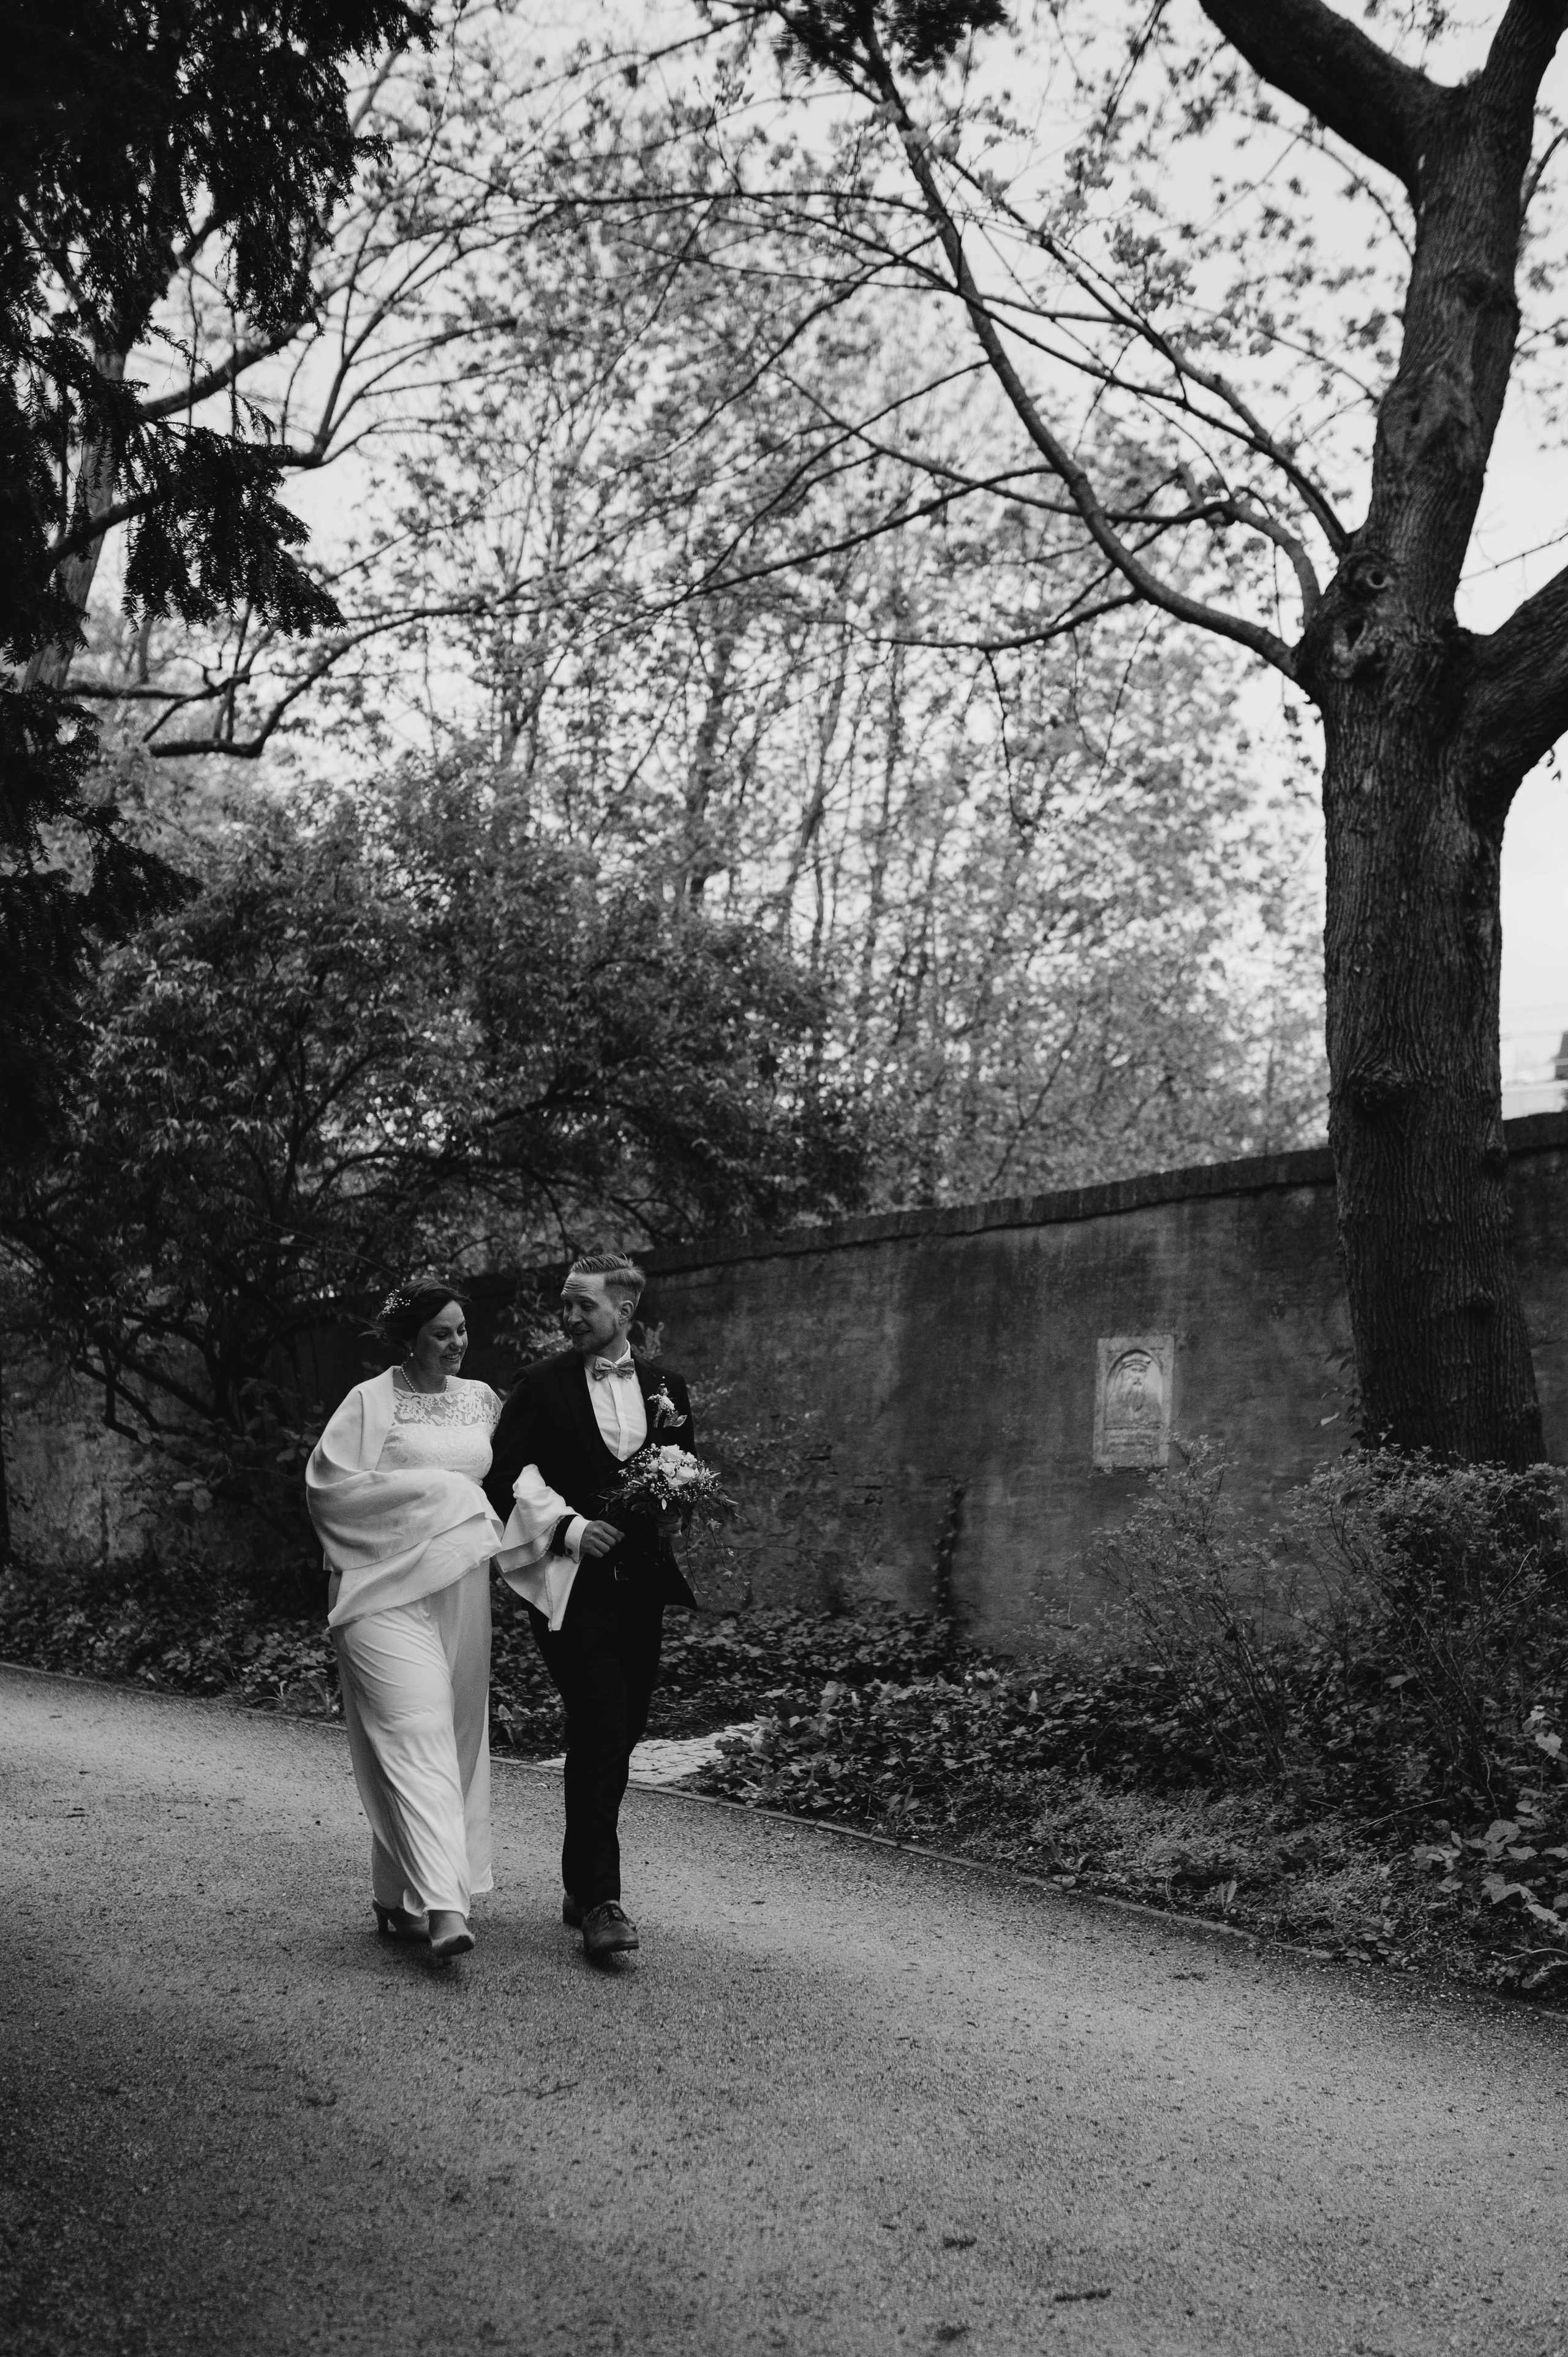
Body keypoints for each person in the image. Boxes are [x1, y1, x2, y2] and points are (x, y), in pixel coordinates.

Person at [486, 1252, 695, 1961]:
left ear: (625, 1311)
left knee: (624, 1727)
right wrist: (571, 1527)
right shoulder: (540, 1385)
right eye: (565, 1303)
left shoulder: (670, 1388)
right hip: (570, 1589)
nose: (570, 1315)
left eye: (584, 1304)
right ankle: (601, 1901)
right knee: (602, 1722)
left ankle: (580, 1884)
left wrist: (675, 1519)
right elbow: (501, 1476)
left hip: (643, 1591)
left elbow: (682, 1477)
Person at [306, 1283, 503, 1963]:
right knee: (414, 1727)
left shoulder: (482, 1400)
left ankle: (396, 1895)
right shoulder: (369, 1401)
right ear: (412, 1336)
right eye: (443, 1332)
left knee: (452, 1735)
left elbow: (510, 1489)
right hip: (381, 1589)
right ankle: (446, 1904)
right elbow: (330, 1489)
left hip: (462, 1587)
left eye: (462, 1329)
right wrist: (445, 1492)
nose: (457, 1343)